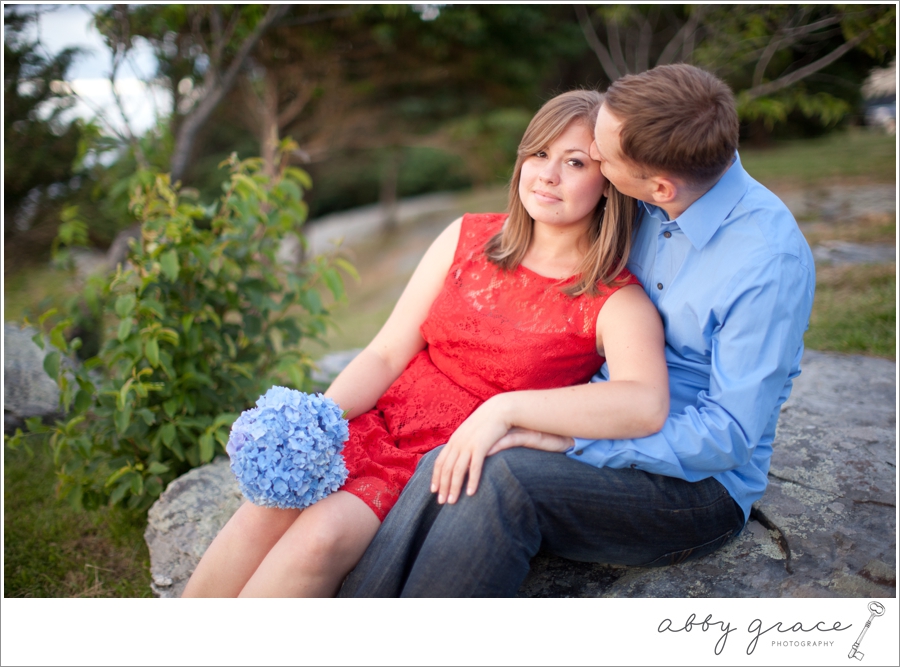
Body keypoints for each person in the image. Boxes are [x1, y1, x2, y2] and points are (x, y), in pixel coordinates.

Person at [338, 63, 816, 597]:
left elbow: (726, 436)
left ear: (657, 187)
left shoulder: (766, 264)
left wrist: (570, 439)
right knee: (458, 450)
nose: (595, 160)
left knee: (502, 478)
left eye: (602, 158)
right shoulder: (655, 181)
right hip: (610, 408)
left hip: (695, 487)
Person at [182, 89, 670, 598]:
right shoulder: (467, 236)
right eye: (539, 154)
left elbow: (645, 402)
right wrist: (320, 420)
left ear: (609, 182)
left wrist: (508, 408)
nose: (548, 175)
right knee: (267, 508)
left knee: (319, 539)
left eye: (574, 162)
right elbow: (387, 351)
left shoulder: (614, 298)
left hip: (440, 463)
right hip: (381, 421)